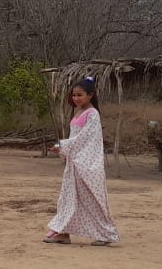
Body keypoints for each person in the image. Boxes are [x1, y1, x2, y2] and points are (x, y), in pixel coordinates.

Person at [44, 77, 120, 245]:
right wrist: (64, 148)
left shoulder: (93, 114)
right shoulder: (78, 113)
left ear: (90, 95)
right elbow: (76, 138)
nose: (76, 98)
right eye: (74, 95)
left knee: (91, 199)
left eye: (80, 95)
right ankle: (63, 232)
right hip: (75, 163)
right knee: (68, 198)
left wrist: (62, 145)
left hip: (87, 164)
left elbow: (86, 139)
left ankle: (105, 234)